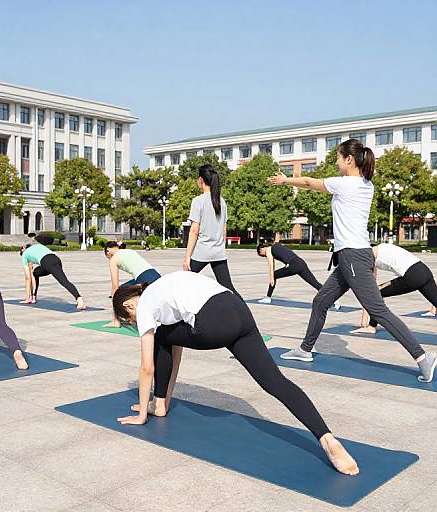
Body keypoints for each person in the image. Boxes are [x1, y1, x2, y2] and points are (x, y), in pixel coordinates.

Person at [111, 271, 359, 476]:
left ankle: (158, 406)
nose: (134, 323)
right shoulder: (164, 284)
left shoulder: (144, 306)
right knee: (275, 382)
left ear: (128, 305)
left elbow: (147, 367)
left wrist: (142, 414)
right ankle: (328, 440)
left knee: (159, 337)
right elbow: (176, 348)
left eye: (129, 320)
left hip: (213, 323)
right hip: (239, 312)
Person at [269, 139, 436, 383]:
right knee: (321, 301)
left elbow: (307, 182)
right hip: (355, 256)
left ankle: (422, 357)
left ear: (349, 160)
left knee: (378, 309)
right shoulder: (366, 185)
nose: (336, 162)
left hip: (353, 256)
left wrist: (285, 180)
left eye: (338, 157)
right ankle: (305, 350)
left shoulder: (345, 184)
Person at [351, 243, 437, 334]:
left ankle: (371, 326)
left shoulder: (370, 253)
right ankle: (370, 326)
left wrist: (363, 321)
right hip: (424, 271)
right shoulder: (384, 247)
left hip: (412, 275)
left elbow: (371, 285)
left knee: (377, 294)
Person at [182, 164, 240, 296]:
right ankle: (244, 312)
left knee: (183, 281)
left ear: (201, 180)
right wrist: (220, 247)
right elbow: (224, 230)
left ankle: (181, 315)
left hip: (202, 252)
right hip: (218, 253)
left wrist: (187, 257)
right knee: (228, 287)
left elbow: (194, 231)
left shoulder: (198, 201)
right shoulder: (221, 201)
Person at [256, 241, 340, 310]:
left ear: (261, 249)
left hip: (293, 265)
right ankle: (335, 301)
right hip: (301, 263)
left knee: (274, 275)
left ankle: (268, 298)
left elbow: (271, 264)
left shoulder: (268, 250)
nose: (264, 255)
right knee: (315, 283)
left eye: (261, 254)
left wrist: (271, 278)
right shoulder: (277, 245)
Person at [103, 241, 161, 327]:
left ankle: (117, 321)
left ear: (108, 250)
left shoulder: (113, 259)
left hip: (144, 278)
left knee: (119, 293)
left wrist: (115, 298)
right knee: (125, 289)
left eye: (108, 257)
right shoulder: (129, 251)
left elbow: (115, 286)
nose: (109, 258)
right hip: (156, 275)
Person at [20, 244, 86, 310]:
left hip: (48, 262)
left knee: (64, 281)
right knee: (36, 273)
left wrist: (27, 299)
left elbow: (28, 277)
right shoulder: (37, 246)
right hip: (56, 259)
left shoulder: (24, 255)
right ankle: (33, 297)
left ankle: (79, 300)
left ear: (23, 251)